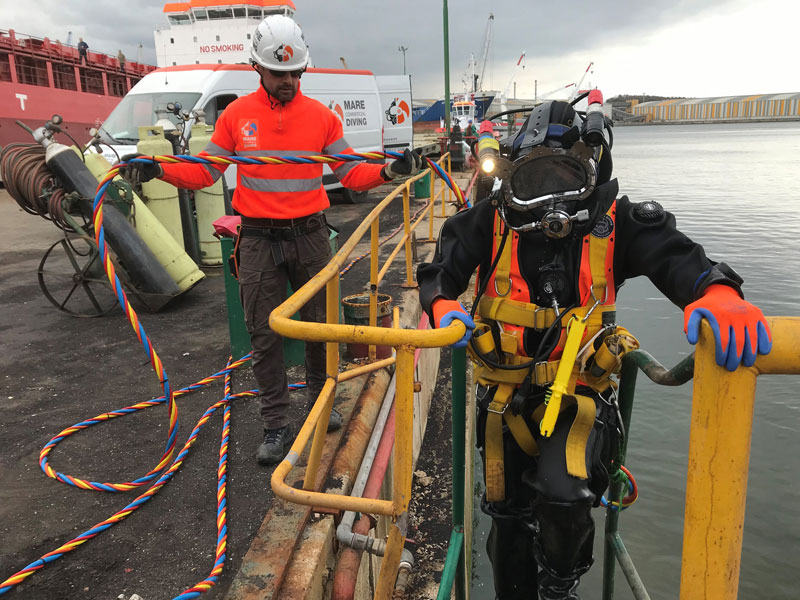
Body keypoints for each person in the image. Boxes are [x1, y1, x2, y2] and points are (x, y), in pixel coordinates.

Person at [417, 99, 771, 599]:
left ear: (592, 172)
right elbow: (440, 270)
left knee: (565, 497)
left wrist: (715, 290)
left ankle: (560, 587)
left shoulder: (615, 223)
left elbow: (673, 254)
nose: (552, 200)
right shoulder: (489, 221)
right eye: (536, 179)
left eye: (566, 177)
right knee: (506, 519)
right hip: (504, 400)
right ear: (514, 176)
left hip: (581, 400)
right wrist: (440, 306)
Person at [118, 14, 422, 466]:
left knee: (321, 328)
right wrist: (160, 167)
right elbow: (205, 170)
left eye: (294, 73)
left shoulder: (321, 118)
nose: (288, 81)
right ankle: (276, 425)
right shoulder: (237, 116)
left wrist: (386, 171)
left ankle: (321, 407)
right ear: (257, 68)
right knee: (265, 335)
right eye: (279, 73)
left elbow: (349, 173)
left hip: (311, 235)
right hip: (258, 236)